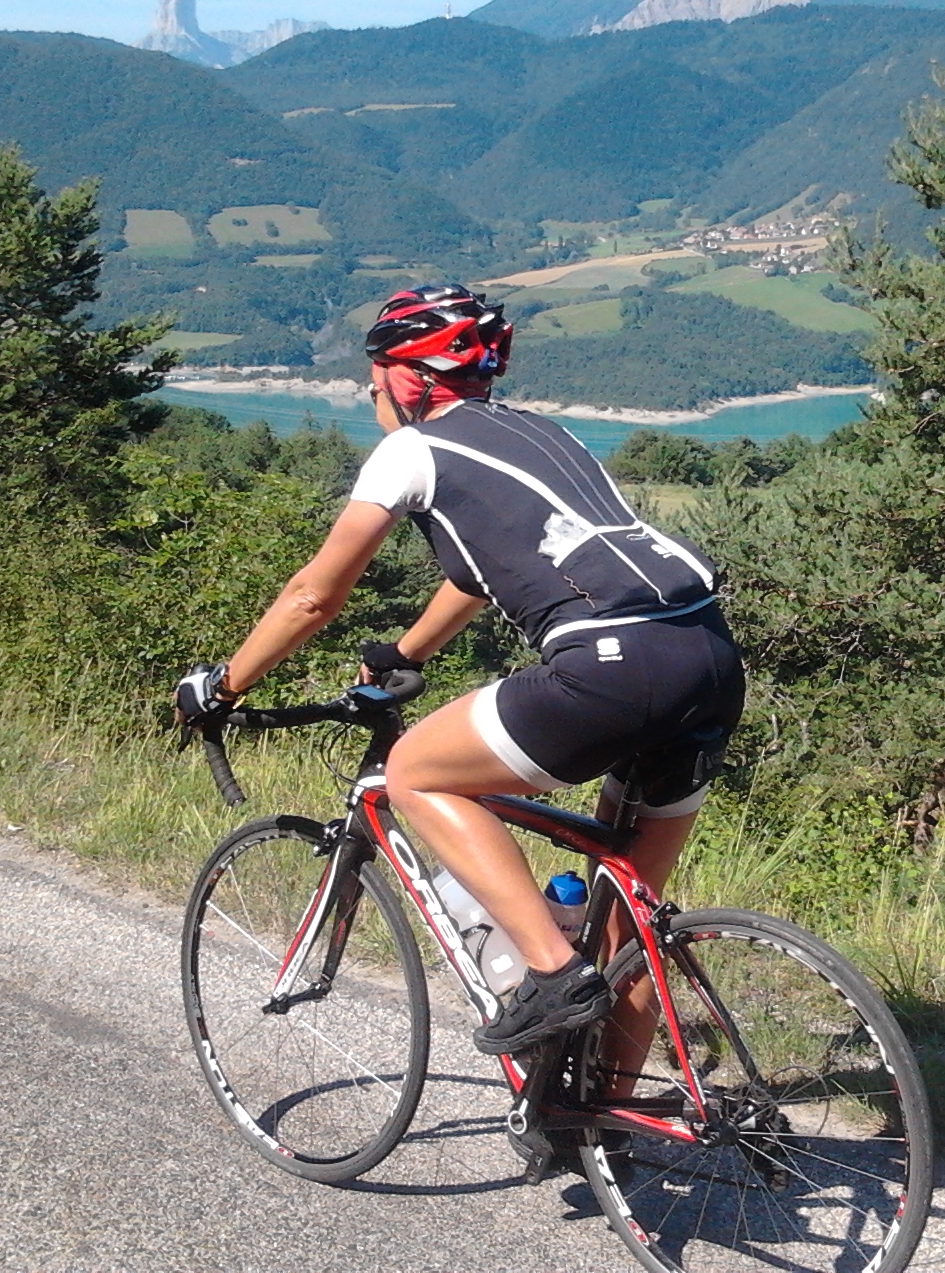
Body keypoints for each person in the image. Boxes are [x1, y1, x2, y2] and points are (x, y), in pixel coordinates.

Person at [174, 284, 744, 1058]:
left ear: (408, 379)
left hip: (610, 666)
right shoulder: (543, 433)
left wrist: (224, 685)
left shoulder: (414, 447)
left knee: (416, 774)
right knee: (626, 931)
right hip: (707, 657)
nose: (372, 394)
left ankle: (548, 973)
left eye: (373, 379)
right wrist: (407, 654)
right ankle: (603, 1128)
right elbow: (483, 572)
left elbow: (314, 594)